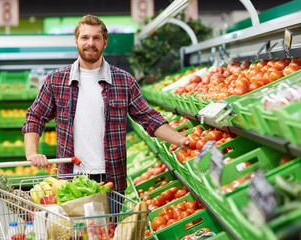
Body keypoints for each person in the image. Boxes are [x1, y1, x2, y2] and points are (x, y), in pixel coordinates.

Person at [22, 14, 189, 194]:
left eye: (96, 38)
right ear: (76, 41)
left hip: (111, 180)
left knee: (110, 223)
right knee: (77, 223)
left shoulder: (124, 81)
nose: (90, 43)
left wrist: (183, 140)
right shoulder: (57, 80)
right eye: (85, 37)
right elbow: (35, 116)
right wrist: (32, 153)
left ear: (105, 42)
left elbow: (148, 118)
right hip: (71, 178)